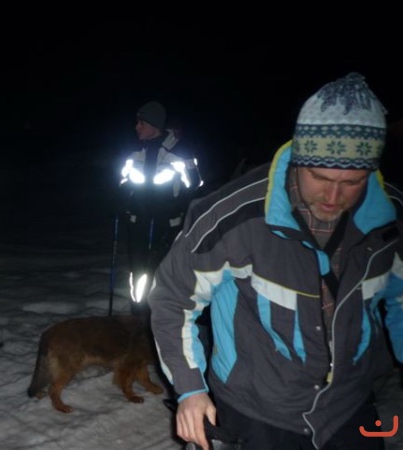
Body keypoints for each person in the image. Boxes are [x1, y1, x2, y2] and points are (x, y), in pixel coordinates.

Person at [149, 72, 403, 450]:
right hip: (257, 409)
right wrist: (190, 390)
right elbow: (173, 297)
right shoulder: (233, 218)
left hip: (349, 404)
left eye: (352, 182)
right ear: (299, 159)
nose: (333, 196)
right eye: (319, 176)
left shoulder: (392, 218)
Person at [118, 100, 202, 314]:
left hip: (166, 227)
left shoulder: (180, 150)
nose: (136, 127)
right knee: (138, 274)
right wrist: (123, 197)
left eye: (141, 123)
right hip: (137, 223)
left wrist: (175, 205)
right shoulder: (135, 150)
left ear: (154, 126)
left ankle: (161, 317)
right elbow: (123, 180)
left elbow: (195, 183)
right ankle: (139, 315)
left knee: (162, 273)